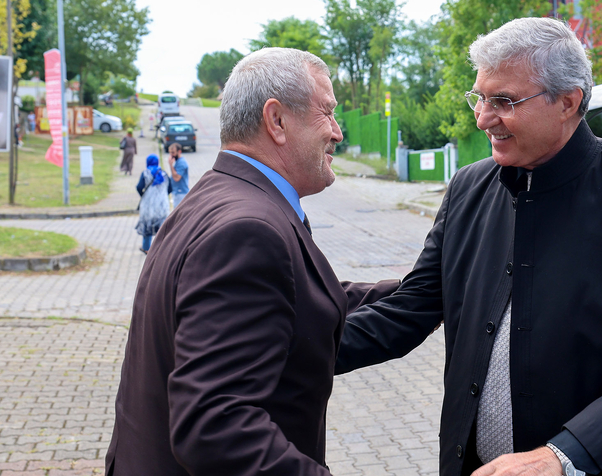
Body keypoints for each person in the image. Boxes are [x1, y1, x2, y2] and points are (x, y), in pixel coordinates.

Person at [336, 17, 602, 476]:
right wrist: (280, 356)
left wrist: (563, 457)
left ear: (568, 102)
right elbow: (409, 308)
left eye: (504, 101)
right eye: (480, 97)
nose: (483, 117)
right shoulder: (468, 187)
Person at [105, 47, 398, 476]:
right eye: (327, 113)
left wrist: (424, 291)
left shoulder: (218, 196)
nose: (338, 132)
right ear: (276, 120)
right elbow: (215, 426)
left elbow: (301, 302)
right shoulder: (249, 230)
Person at [135, 154, 171, 253]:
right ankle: (163, 249)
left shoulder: (145, 173)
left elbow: (139, 187)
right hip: (162, 205)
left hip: (148, 205)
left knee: (147, 225)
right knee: (163, 227)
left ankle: (146, 248)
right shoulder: (164, 173)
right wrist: (163, 196)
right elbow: (170, 188)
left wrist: (144, 195)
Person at [167, 142, 189, 207]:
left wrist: (171, 165)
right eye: (170, 152)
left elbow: (176, 178)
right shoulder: (178, 161)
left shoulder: (181, 163)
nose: (171, 155)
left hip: (181, 193)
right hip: (177, 192)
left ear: (179, 151)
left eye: (173, 152)